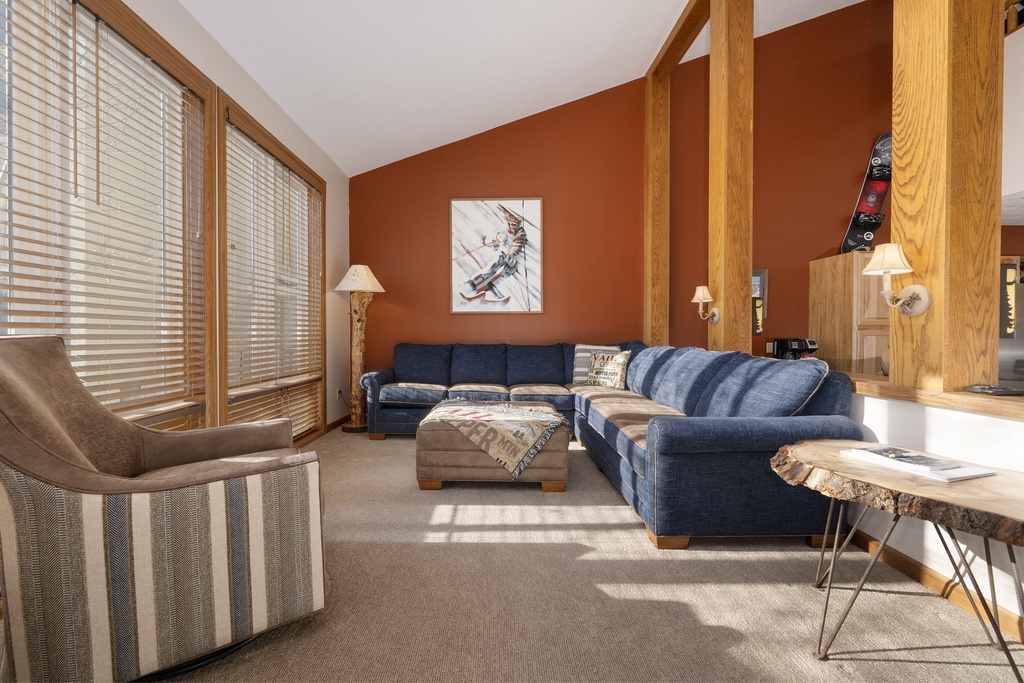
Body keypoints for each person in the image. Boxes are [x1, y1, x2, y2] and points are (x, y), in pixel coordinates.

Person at [461, 204, 527, 304]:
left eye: (516, 224)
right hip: (502, 253)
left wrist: (513, 254)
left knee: (506, 273)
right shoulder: (504, 229)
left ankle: (491, 292)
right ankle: (469, 286)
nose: (514, 226)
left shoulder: (520, 232)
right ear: (509, 222)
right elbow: (490, 241)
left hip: (511, 259)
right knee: (491, 269)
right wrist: (496, 240)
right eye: (512, 223)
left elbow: (518, 243)